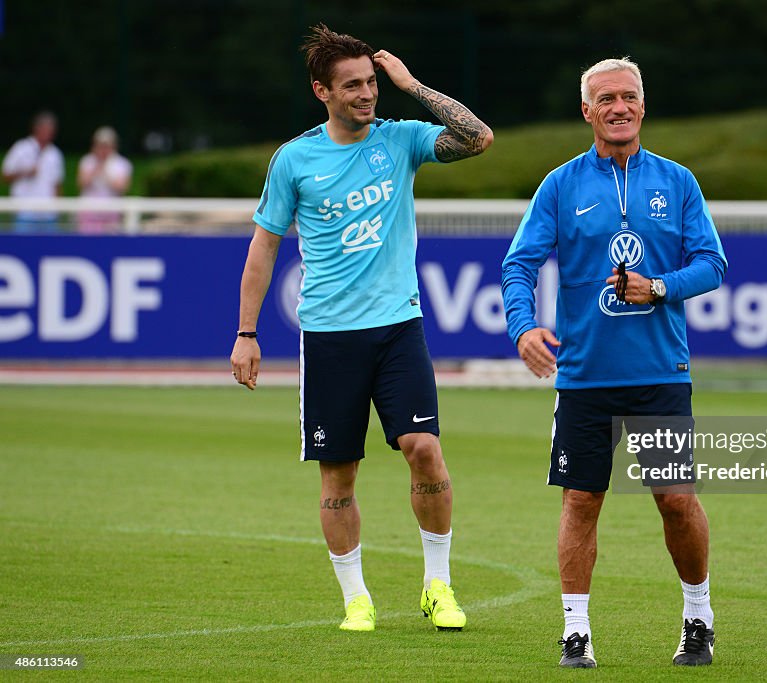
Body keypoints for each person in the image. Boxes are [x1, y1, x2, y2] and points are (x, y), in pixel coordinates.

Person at [229, 25, 492, 633]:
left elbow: (477, 138)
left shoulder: (399, 141)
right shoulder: (294, 159)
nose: (366, 94)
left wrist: (412, 84)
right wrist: (247, 333)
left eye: (371, 83)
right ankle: (356, 598)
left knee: (423, 450)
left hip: (399, 328)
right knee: (338, 473)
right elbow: (263, 250)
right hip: (328, 337)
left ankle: (438, 586)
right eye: (352, 85)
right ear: (322, 91)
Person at [501, 57, 727, 669]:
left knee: (675, 499)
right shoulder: (561, 185)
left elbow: (712, 263)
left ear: (643, 105)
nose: (619, 107)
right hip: (585, 378)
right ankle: (576, 633)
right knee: (581, 501)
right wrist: (522, 327)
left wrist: (657, 288)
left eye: (628, 97)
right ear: (587, 111)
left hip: (659, 374)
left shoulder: (677, 182)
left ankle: (698, 618)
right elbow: (518, 265)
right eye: (606, 99)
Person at [1, 111, 64, 233]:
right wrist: (25, 173)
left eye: (51, 130)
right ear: (36, 128)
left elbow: (57, 184)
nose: (50, 133)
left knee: (49, 249)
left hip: (48, 215)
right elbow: (5, 176)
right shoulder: (21, 148)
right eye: (46, 129)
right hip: (25, 213)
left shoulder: (55, 153)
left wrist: (58, 209)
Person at [77, 126, 133, 234]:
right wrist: (97, 168)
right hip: (90, 214)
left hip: (112, 215)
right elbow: (82, 183)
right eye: (100, 145)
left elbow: (122, 187)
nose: (103, 149)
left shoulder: (122, 164)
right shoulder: (87, 161)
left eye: (106, 146)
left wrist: (106, 172)